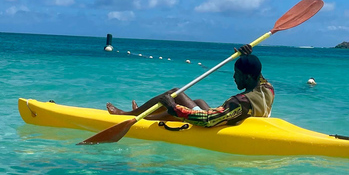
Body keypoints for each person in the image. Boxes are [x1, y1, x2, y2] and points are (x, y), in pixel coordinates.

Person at [105, 44, 274, 127]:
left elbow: (208, 120)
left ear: (248, 76)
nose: (234, 78)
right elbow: (256, 72)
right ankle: (143, 112)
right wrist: (247, 56)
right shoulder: (267, 89)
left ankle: (133, 115)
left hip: (214, 124)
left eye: (237, 75)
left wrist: (173, 108)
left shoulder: (240, 102)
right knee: (199, 102)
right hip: (229, 117)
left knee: (175, 94)